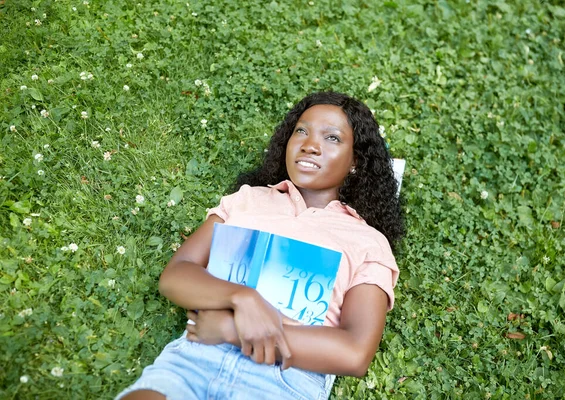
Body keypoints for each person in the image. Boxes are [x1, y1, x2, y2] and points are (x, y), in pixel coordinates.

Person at [117, 91, 405, 400]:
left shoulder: (368, 242)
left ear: (355, 162)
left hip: (285, 380)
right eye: (301, 131)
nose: (310, 144)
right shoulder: (248, 200)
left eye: (332, 138)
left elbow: (355, 353)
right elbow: (176, 275)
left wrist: (232, 330)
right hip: (194, 360)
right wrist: (243, 297)